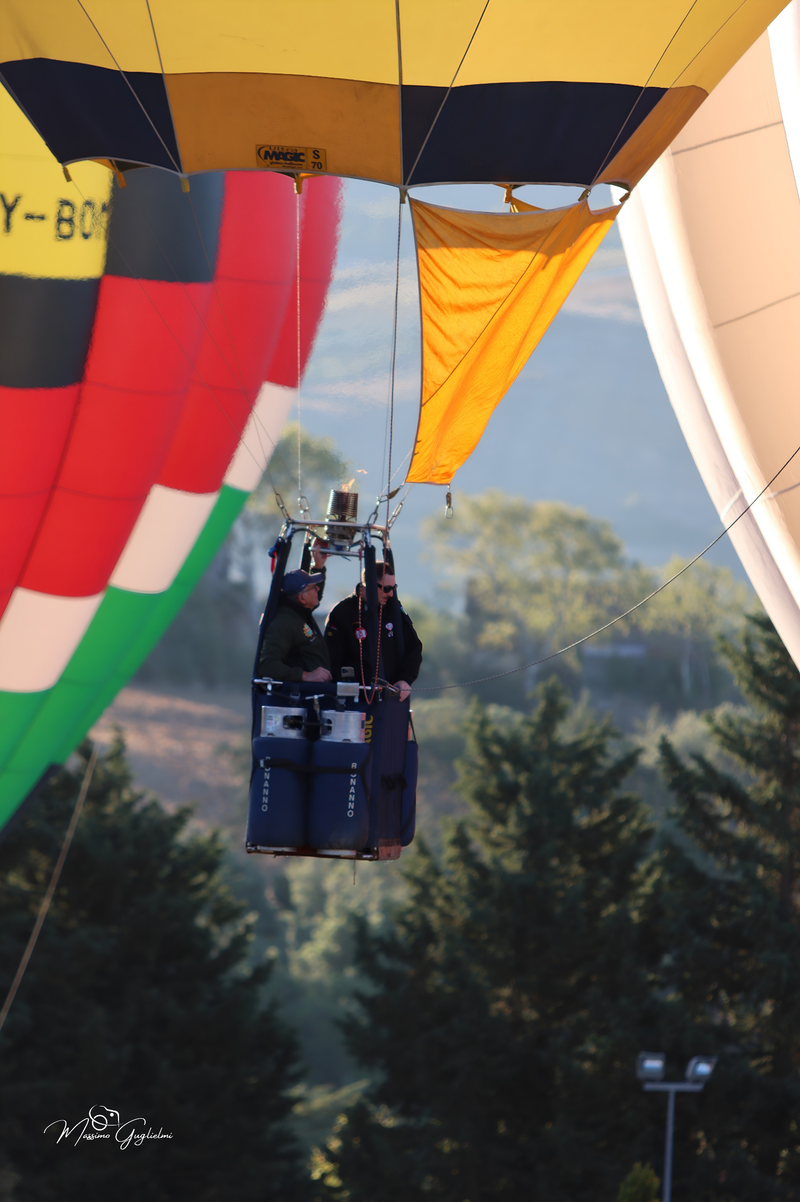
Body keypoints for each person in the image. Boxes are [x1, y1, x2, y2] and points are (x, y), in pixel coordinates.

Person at [324, 562, 422, 702]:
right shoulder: (342, 612)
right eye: (386, 588)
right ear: (368, 585)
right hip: (354, 700)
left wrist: (405, 679)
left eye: (394, 588)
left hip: (389, 698)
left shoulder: (393, 609)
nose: (391, 594)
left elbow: (414, 647)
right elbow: (330, 659)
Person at [258, 544, 332, 683]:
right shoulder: (283, 622)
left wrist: (318, 566)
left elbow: (315, 596)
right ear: (301, 598)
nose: (317, 589)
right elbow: (267, 665)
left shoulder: (299, 612)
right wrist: (305, 675)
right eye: (312, 587)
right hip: (303, 698)